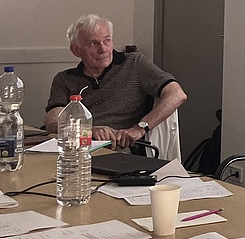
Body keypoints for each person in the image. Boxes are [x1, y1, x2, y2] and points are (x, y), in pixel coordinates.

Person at [46, 14, 187, 150]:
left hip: (117, 148)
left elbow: (177, 94)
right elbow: (52, 123)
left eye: (107, 40)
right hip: (76, 145)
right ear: (76, 50)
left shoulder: (134, 64)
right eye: (94, 43)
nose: (103, 49)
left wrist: (139, 128)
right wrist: (88, 130)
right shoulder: (64, 79)